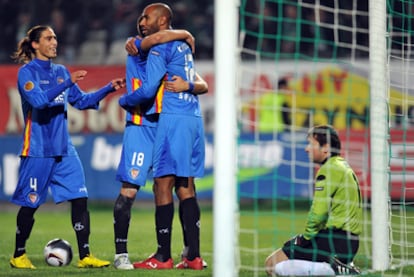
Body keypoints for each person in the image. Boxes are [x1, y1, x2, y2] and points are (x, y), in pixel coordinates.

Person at [9, 25, 125, 269]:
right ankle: (18, 254)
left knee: (80, 198)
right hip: (38, 149)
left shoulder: (61, 71)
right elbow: (38, 101)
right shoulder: (26, 73)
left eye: (55, 38)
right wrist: (67, 83)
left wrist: (107, 89)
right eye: (48, 38)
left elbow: (82, 101)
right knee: (31, 204)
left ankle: (85, 256)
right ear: (35, 45)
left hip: (64, 148)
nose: (54, 42)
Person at [113, 18, 208, 270]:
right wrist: (185, 33)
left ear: (162, 20)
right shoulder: (139, 44)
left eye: (147, 17)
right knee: (131, 188)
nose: (142, 22)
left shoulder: (169, 48)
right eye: (140, 19)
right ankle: (121, 253)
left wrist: (187, 83)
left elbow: (202, 83)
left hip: (166, 122)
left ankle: (185, 254)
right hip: (142, 124)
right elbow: (154, 39)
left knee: (176, 186)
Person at [264, 125, 362, 276]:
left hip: (334, 241)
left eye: (311, 144)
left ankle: (333, 269)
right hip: (349, 242)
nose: (307, 149)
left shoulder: (329, 169)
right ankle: (335, 267)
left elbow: (318, 213)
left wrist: (306, 238)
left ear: (326, 148)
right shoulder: (341, 165)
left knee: (272, 264)